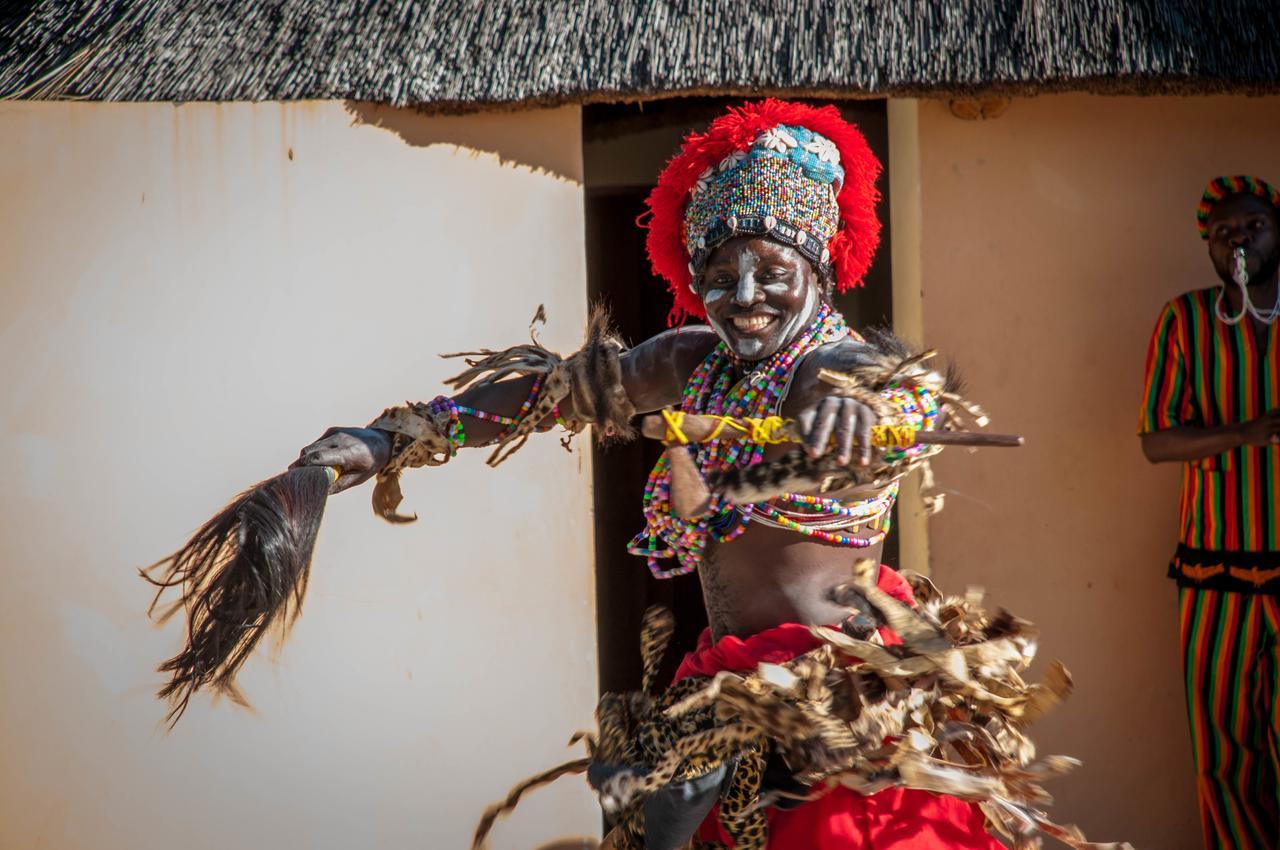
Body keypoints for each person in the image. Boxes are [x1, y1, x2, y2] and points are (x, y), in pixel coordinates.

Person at [295, 100, 1005, 850]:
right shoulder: (691, 361)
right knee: (651, 814)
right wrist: (394, 439)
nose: (744, 297)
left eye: (771, 271)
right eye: (721, 275)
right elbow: (551, 394)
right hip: (729, 687)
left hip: (837, 705)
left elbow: (906, 387)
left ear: (818, 271)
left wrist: (870, 407)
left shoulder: (830, 365)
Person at [1139, 174, 1280, 850]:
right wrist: (1244, 434)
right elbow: (1157, 441)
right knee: (1223, 752)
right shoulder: (1185, 320)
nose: (1239, 241)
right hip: (1212, 575)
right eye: (1224, 234)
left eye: (1252, 226)